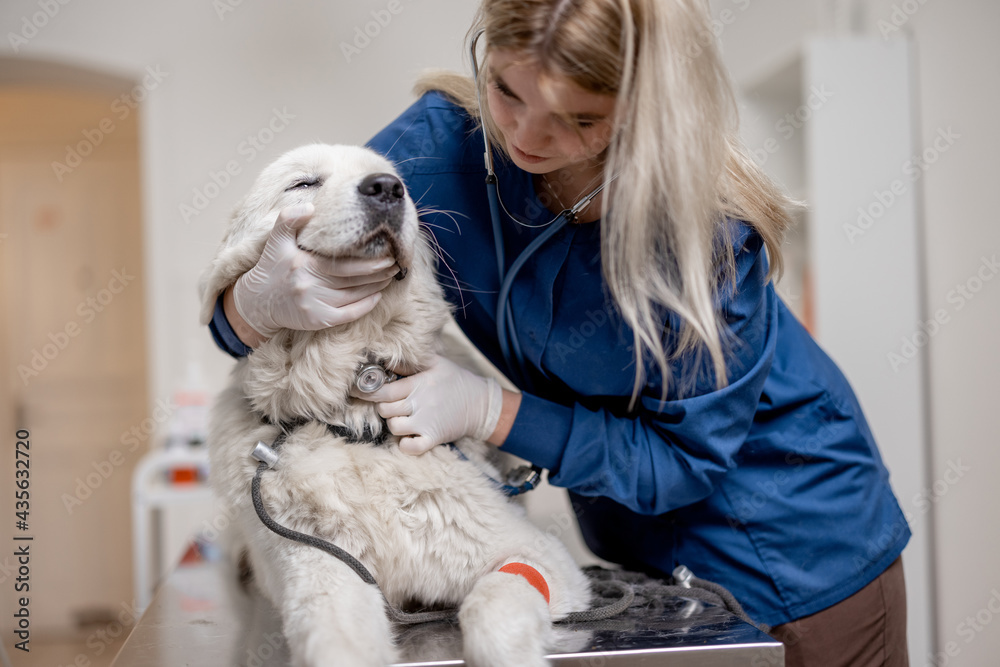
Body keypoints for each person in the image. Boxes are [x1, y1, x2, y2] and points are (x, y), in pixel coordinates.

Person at [206, 0, 910, 663]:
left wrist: (491, 409)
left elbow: (683, 462)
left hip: (805, 540)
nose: (526, 137)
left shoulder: (708, 235)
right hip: (637, 550)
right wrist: (250, 304)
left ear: (644, 109)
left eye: (579, 119)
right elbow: (305, 245)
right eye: (508, 93)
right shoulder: (437, 149)